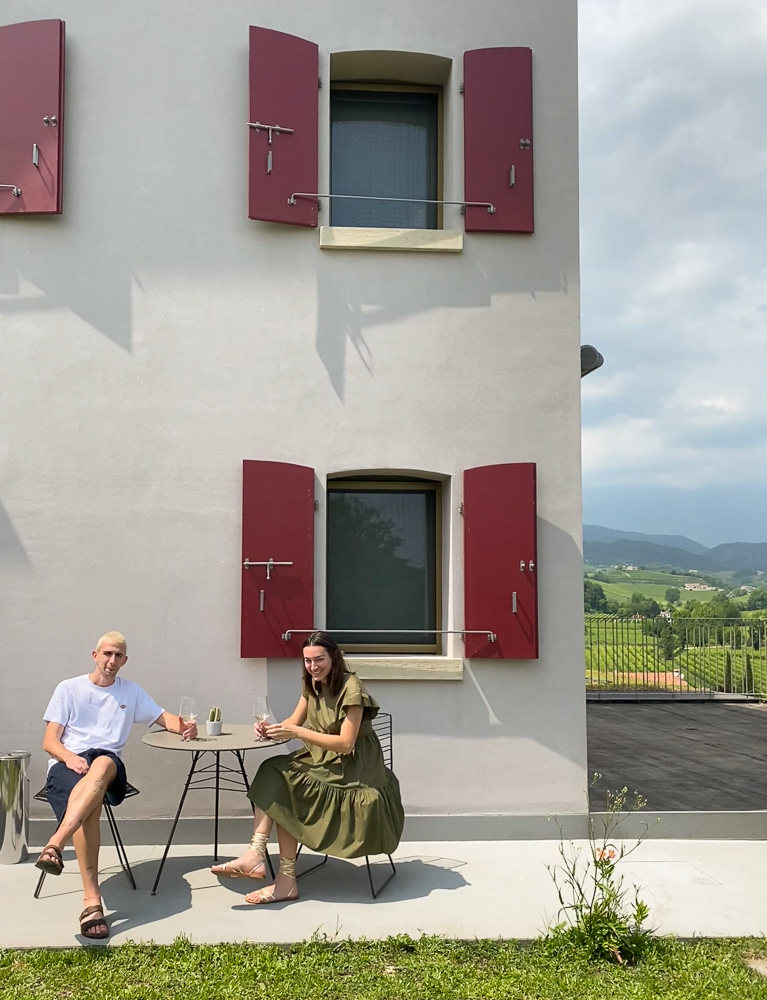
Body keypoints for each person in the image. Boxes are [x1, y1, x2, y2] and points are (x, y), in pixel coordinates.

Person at [211, 630, 404, 904]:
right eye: (307, 660)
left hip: (353, 769)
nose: (313, 666)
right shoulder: (312, 683)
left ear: (334, 657)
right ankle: (259, 856)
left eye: (319, 659)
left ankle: (280, 876)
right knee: (272, 770)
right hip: (322, 760)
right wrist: (271, 729)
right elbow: (293, 722)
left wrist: (297, 733)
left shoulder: (352, 689)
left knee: (286, 785)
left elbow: (346, 744)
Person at [37, 631, 197, 939]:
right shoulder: (68, 689)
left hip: (108, 769)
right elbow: (49, 742)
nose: (112, 660)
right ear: (95, 655)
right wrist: (69, 758)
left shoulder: (131, 692)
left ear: (125, 660)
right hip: (68, 765)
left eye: (118, 655)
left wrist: (186, 727)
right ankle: (91, 901)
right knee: (89, 804)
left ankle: (55, 843)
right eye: (107, 654)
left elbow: (165, 718)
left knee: (103, 763)